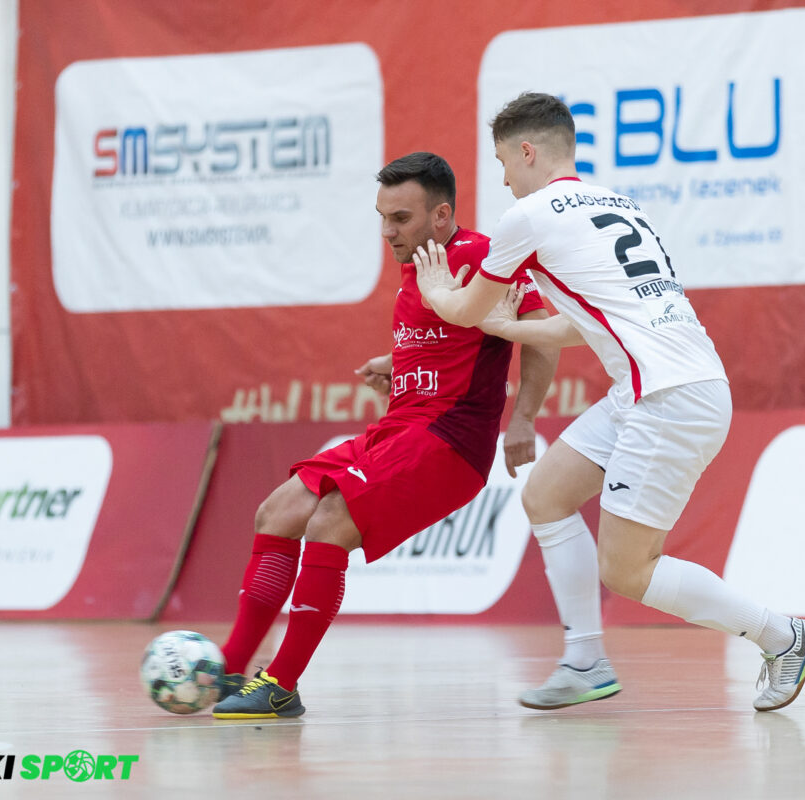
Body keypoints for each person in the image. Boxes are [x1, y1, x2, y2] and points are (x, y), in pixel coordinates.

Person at [414, 93, 805, 712]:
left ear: (527, 151)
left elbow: (464, 309)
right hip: (658, 388)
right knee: (546, 495)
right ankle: (584, 661)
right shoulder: (616, 203)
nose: (501, 177)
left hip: (666, 398)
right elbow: (579, 326)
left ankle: (783, 636)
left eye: (502, 160)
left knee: (628, 571)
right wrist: (508, 329)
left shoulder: (528, 215)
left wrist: (436, 289)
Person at [211, 151, 556, 719]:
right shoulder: (418, 262)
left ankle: (281, 684)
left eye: (400, 218)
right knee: (275, 513)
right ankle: (227, 669)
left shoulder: (479, 253)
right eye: (382, 216)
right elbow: (455, 341)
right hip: (399, 428)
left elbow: (540, 334)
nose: (387, 232)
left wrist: (522, 419)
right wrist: (397, 366)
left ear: (442, 215)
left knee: (329, 522)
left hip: (450, 442)